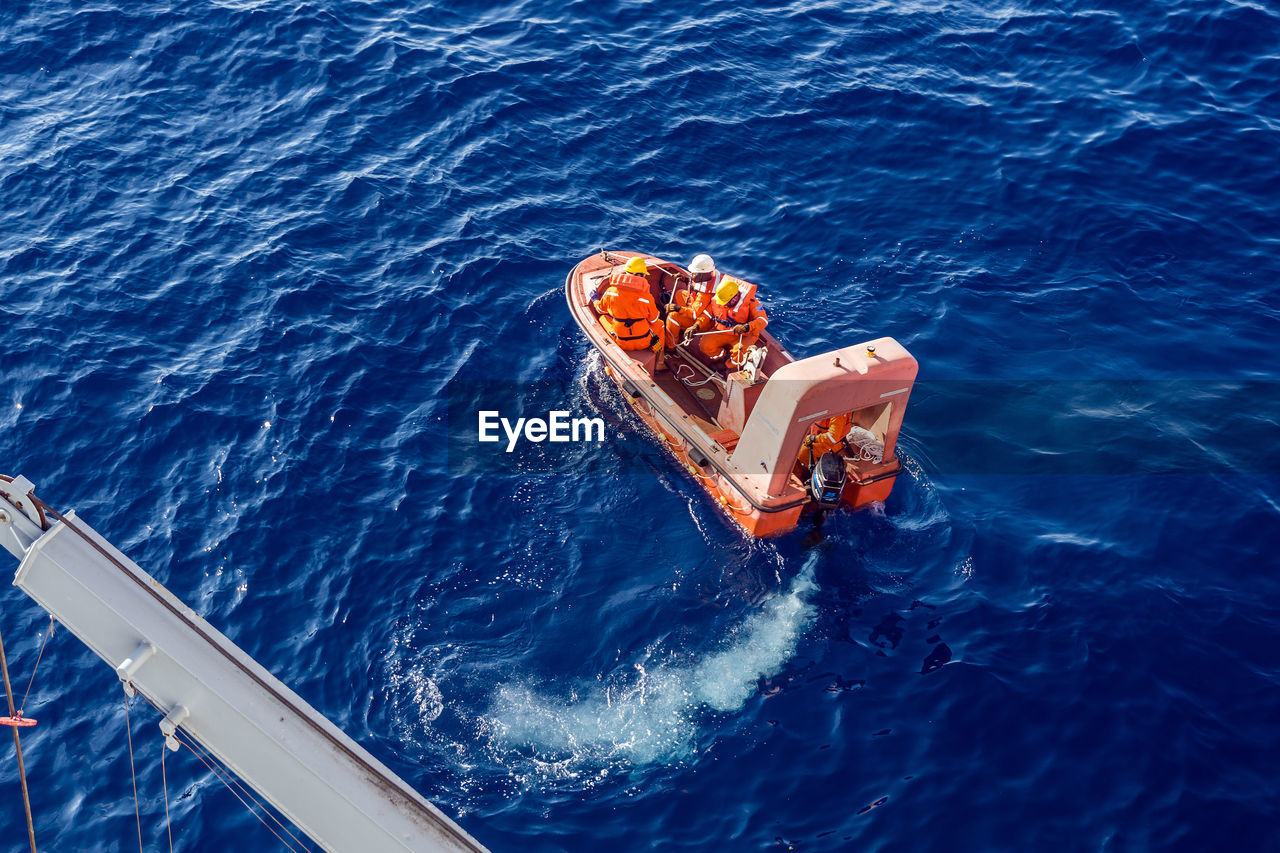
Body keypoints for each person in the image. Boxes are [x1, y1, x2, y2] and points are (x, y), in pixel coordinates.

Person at [592, 256, 664, 363]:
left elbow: (600, 310)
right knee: (660, 324)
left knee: (602, 318)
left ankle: (610, 350)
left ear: (626, 273)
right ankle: (659, 361)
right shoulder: (647, 297)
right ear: (640, 275)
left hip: (621, 342)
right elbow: (653, 320)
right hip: (644, 342)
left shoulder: (611, 291)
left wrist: (595, 299)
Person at [690, 273, 769, 370]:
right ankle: (721, 356)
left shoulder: (751, 302)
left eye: (725, 302)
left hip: (744, 335)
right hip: (723, 331)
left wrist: (746, 327)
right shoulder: (719, 298)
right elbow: (707, 314)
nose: (723, 304)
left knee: (739, 351)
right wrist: (696, 326)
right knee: (705, 345)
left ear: (734, 296)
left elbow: (763, 320)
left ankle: (730, 366)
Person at [664, 253, 719, 349]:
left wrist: (677, 308)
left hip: (703, 321)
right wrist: (684, 279)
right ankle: (681, 323)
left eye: (694, 273)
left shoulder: (706, 294)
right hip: (698, 306)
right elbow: (694, 284)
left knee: (672, 316)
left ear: (702, 274)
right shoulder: (707, 277)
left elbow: (694, 313)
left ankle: (671, 346)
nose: (692, 274)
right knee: (680, 293)